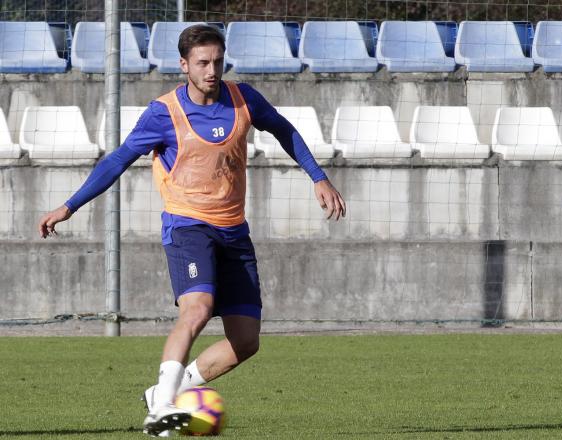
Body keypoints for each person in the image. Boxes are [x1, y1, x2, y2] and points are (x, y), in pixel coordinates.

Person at [37, 24, 346, 437]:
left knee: (246, 342)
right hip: (187, 226)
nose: (212, 70)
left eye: (218, 61)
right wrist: (69, 206)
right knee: (197, 309)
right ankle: (161, 410)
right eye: (202, 63)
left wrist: (318, 178)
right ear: (184, 65)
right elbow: (117, 161)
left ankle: (165, 392)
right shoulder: (164, 113)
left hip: (234, 231)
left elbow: (284, 129)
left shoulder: (243, 99)